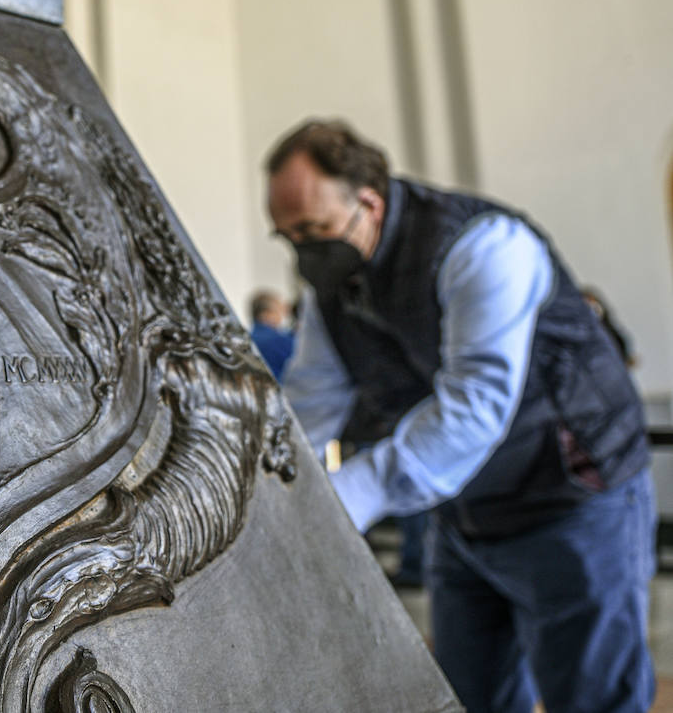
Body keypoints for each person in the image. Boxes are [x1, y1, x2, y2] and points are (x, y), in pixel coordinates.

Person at [265, 119, 654, 713]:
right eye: (287, 237)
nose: (303, 253)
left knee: (593, 696)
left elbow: (472, 409)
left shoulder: (481, 246)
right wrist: (270, 498)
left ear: (367, 202)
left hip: (571, 498)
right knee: (469, 697)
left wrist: (343, 501)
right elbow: (311, 404)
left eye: (315, 230)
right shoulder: (332, 291)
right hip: (466, 519)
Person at [248, 289, 296, 380]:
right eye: (279, 311)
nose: (282, 316)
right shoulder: (277, 340)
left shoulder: (249, 336)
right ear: (266, 314)